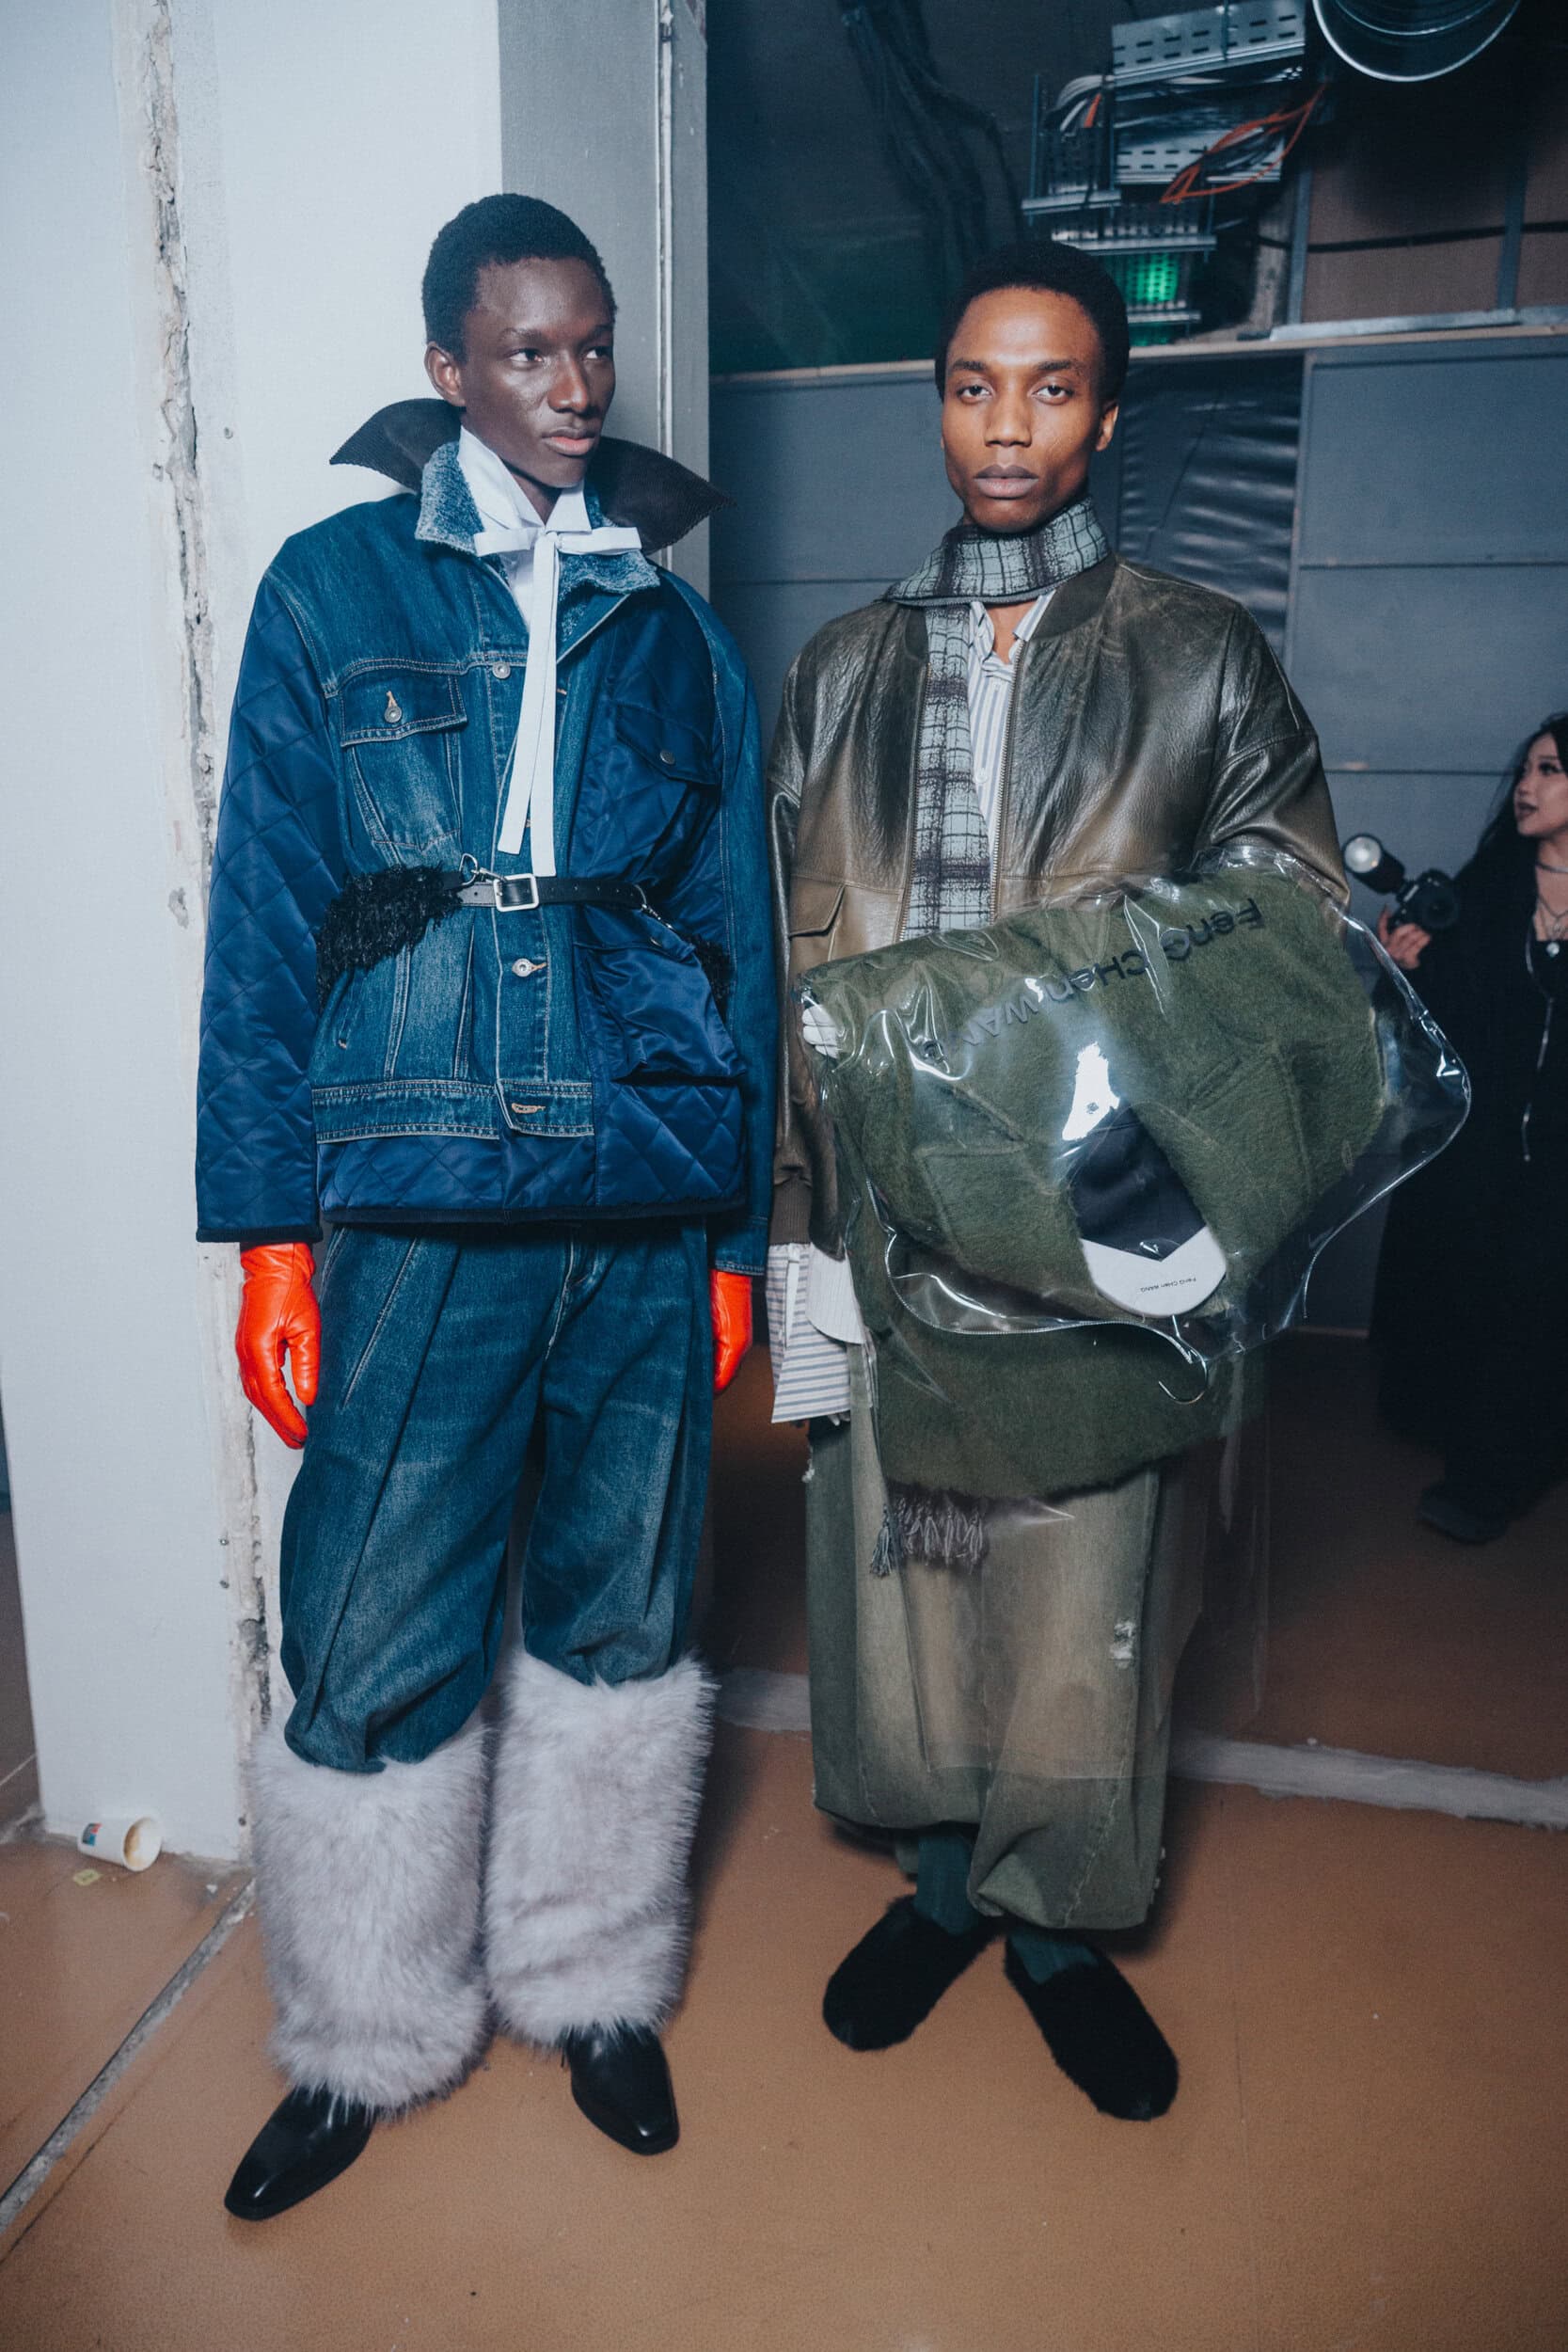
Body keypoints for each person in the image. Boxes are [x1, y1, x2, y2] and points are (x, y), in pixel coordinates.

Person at [195, 196, 773, 2218]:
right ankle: (360, 2032)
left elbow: (736, 940)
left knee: (625, 1605)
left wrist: (731, 1241)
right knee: (369, 1616)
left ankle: (590, 1983)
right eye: (528, 350)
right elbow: (266, 918)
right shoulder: (331, 589)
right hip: (420, 1178)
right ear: (446, 367)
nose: (573, 383)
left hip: (644, 1179)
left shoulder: (676, 631)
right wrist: (272, 1231)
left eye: (591, 344)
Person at [767, 241, 1345, 2120]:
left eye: (1048, 387)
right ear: (934, 406)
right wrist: (794, 1236)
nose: (1004, 426)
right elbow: (785, 967)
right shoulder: (840, 668)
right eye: (970, 385)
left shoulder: (1195, 654)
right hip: (879, 1202)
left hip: (1103, 1212)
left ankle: (1054, 1925)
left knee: (1084, 1589)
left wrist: (1103, 1091)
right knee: (896, 1574)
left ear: (1104, 416)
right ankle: (939, 1886)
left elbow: (1290, 923)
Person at [1373, 715, 1568, 1543]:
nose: (1525, 787)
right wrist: (1405, 970)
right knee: (1476, 1283)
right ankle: (1477, 1457)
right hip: (1481, 1146)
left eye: (1550, 770)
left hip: (1558, 1154)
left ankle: (1496, 1473)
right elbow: (1435, 1031)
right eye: (1523, 770)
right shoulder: (1482, 893)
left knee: (1543, 1296)